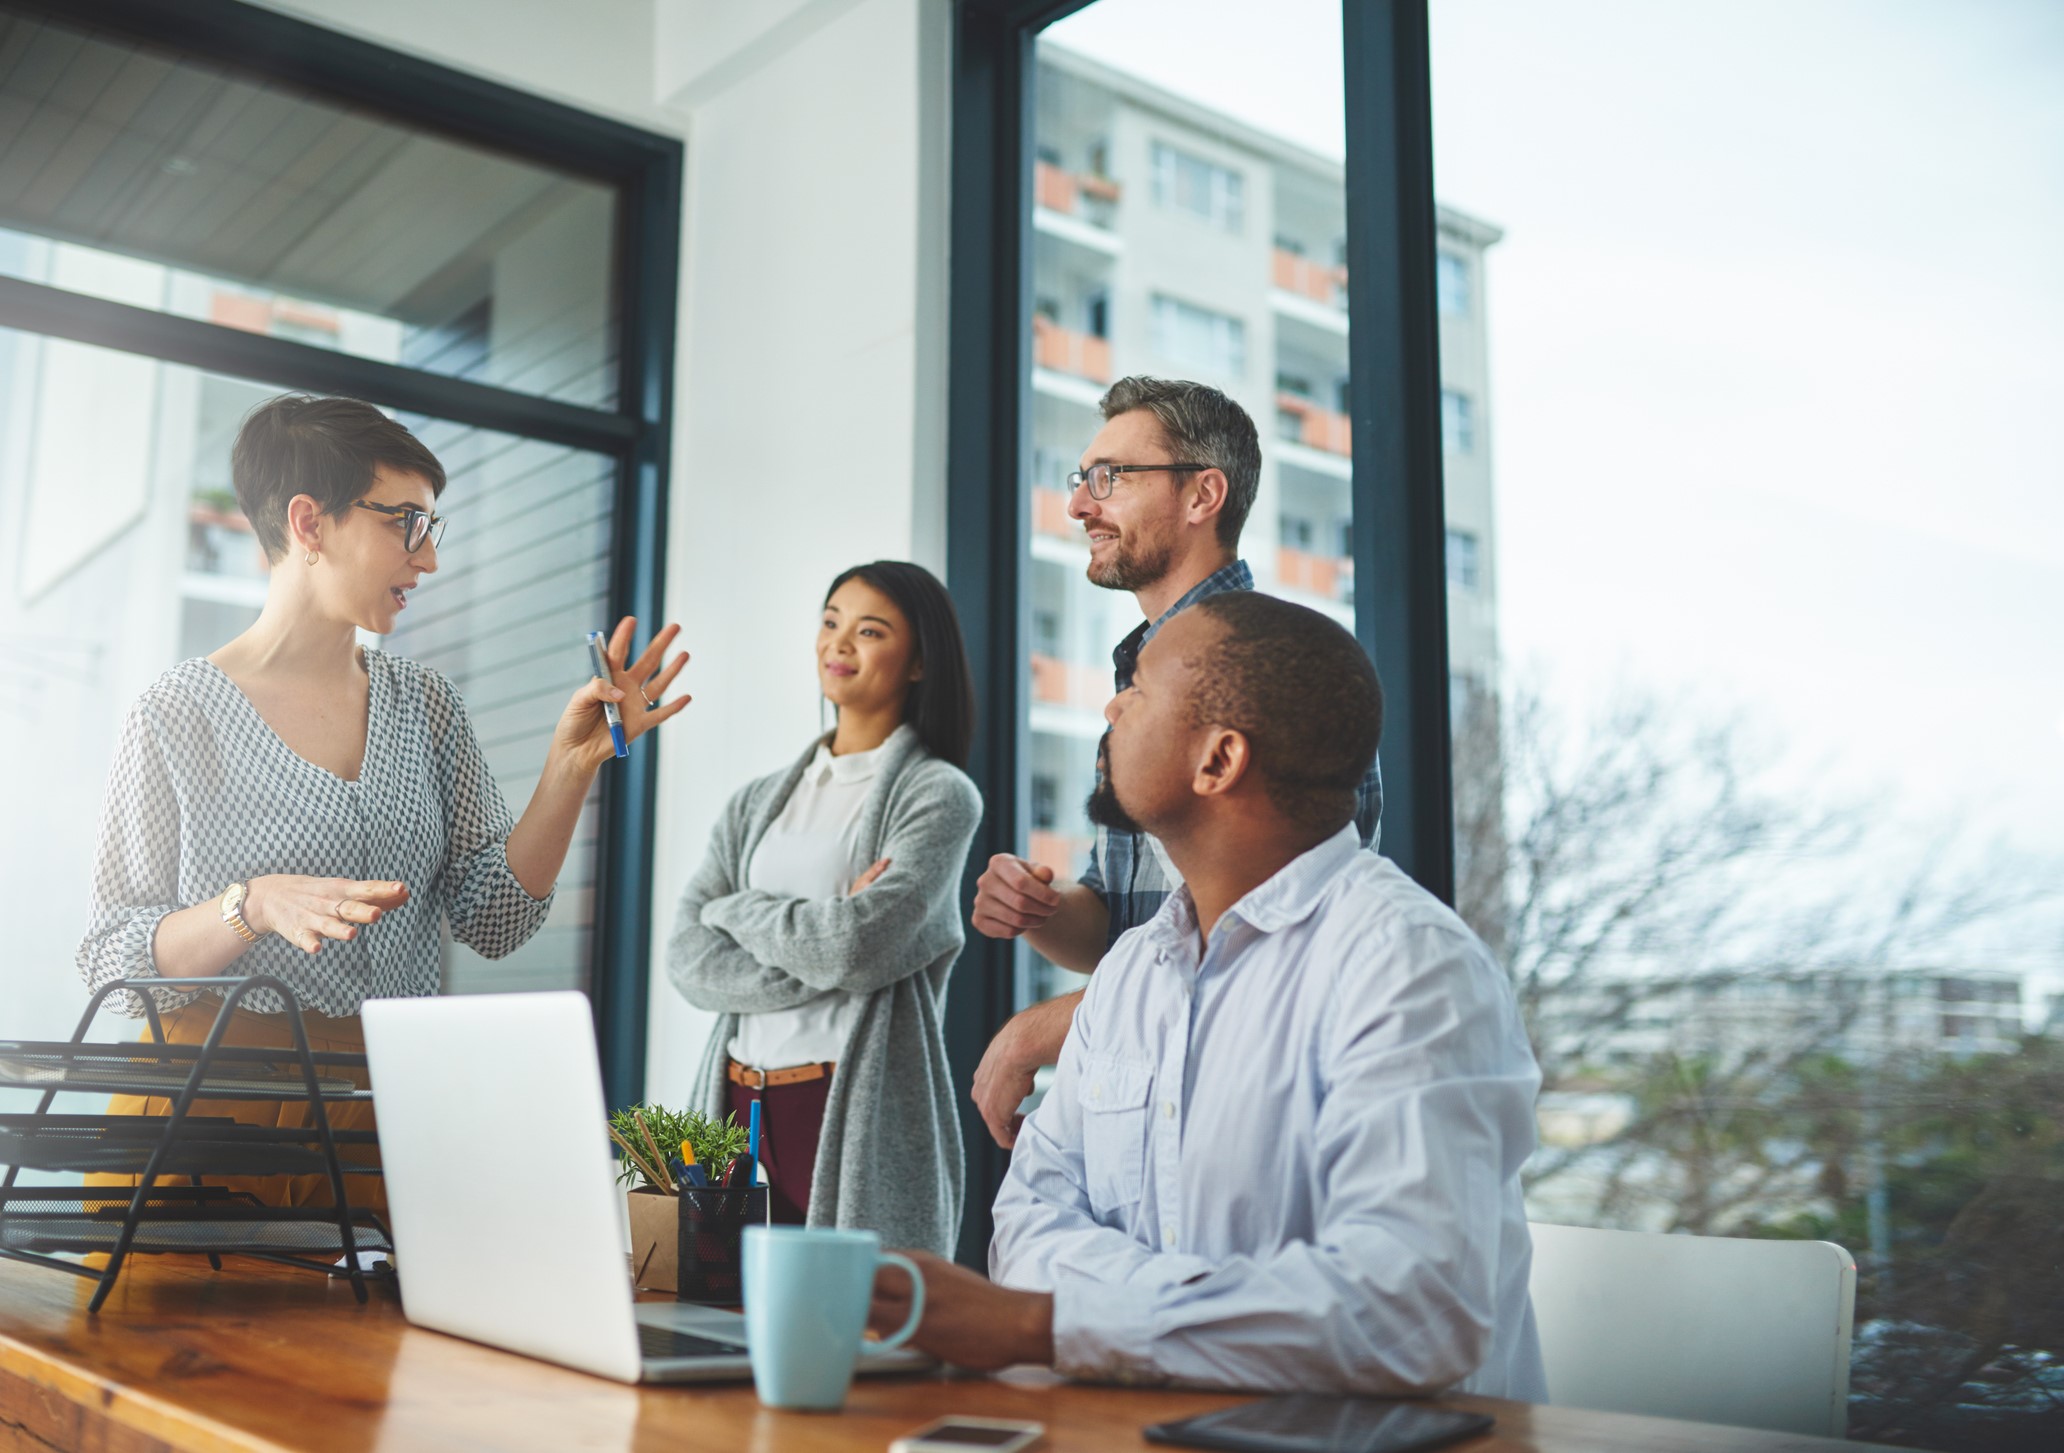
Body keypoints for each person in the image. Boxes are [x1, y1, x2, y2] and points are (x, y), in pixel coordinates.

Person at [868, 592, 1545, 1398]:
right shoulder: (1129, 970)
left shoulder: (1410, 965)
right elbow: (1025, 1226)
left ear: (1218, 761)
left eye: (1141, 689)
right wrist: (1215, 1312)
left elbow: (1409, 1310)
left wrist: (1044, 1325)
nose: (1113, 704)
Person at [77, 394, 689, 1208]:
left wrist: (569, 768)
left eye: (432, 528)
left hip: (386, 1115)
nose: (427, 559)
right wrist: (250, 904)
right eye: (406, 522)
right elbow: (109, 954)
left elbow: (495, 918)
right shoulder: (176, 711)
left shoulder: (426, 705)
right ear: (310, 523)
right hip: (209, 1111)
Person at [969, 376, 1383, 1148]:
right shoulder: (1136, 680)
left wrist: (1046, 1027)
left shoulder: (1282, 671)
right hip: (1142, 1095)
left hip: (1238, 1114)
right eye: (1080, 480)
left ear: (1203, 495)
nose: (1079, 506)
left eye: (1109, 478)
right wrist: (1044, 910)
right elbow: (1120, 925)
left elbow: (1266, 949)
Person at [666, 561, 980, 1257]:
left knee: (849, 1336)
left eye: (869, 631)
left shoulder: (938, 795)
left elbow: (854, 949)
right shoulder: (755, 801)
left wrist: (737, 909)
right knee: (714, 1330)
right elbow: (687, 960)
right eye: (831, 621)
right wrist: (823, 928)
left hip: (843, 1102)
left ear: (921, 660)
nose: (838, 643)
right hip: (736, 1098)